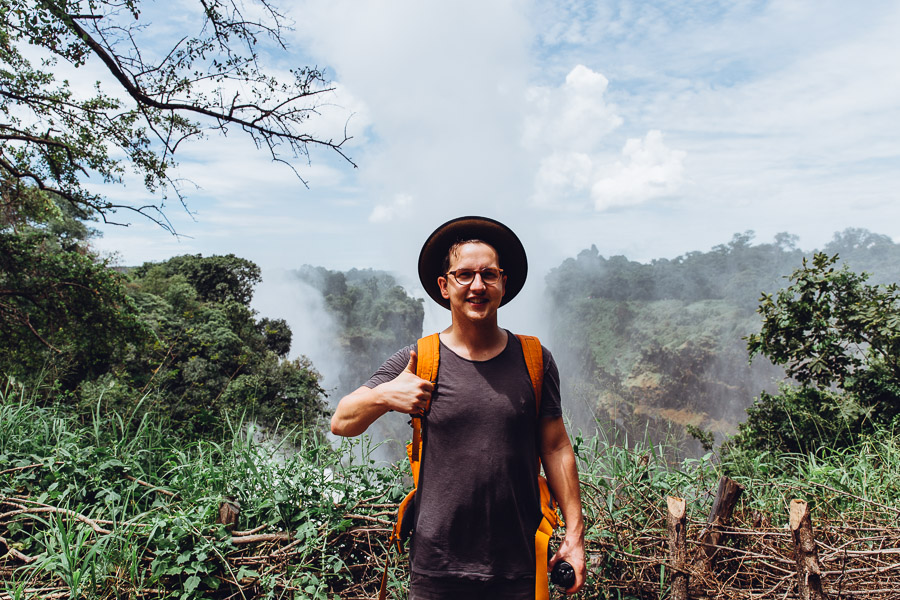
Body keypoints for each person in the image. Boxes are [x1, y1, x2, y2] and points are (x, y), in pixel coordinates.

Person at [331, 216, 586, 599]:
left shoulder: (535, 360)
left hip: (518, 565)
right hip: (437, 569)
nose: (478, 286)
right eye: (464, 275)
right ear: (444, 285)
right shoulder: (419, 358)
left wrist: (574, 535)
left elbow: (555, 446)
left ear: (504, 282)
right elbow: (342, 421)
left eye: (489, 274)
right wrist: (384, 396)